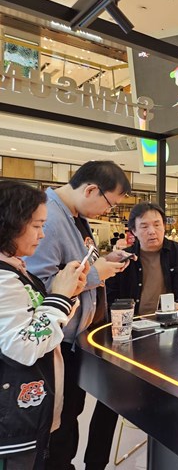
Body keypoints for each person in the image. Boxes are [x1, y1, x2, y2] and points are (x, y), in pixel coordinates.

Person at [25, 161, 132, 470]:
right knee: (58, 426)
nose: (108, 211)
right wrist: (97, 274)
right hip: (54, 343)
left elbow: (77, 265)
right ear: (90, 190)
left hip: (73, 340)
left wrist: (104, 262)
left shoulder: (74, 216)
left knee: (69, 416)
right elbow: (40, 287)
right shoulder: (50, 219)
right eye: (109, 203)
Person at [85, 202, 178, 470]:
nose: (152, 231)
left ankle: (172, 459)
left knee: (175, 401)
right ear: (133, 231)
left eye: (157, 225)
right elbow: (108, 295)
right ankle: (94, 464)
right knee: (109, 401)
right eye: (145, 226)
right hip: (128, 339)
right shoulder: (123, 259)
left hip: (169, 338)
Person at [0, 181, 88, 470]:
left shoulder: (15, 268)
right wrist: (60, 296)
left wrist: (68, 293)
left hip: (25, 412)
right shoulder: (4, 279)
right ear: (10, 223)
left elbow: (37, 319)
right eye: (37, 226)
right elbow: (23, 346)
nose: (42, 234)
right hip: (12, 421)